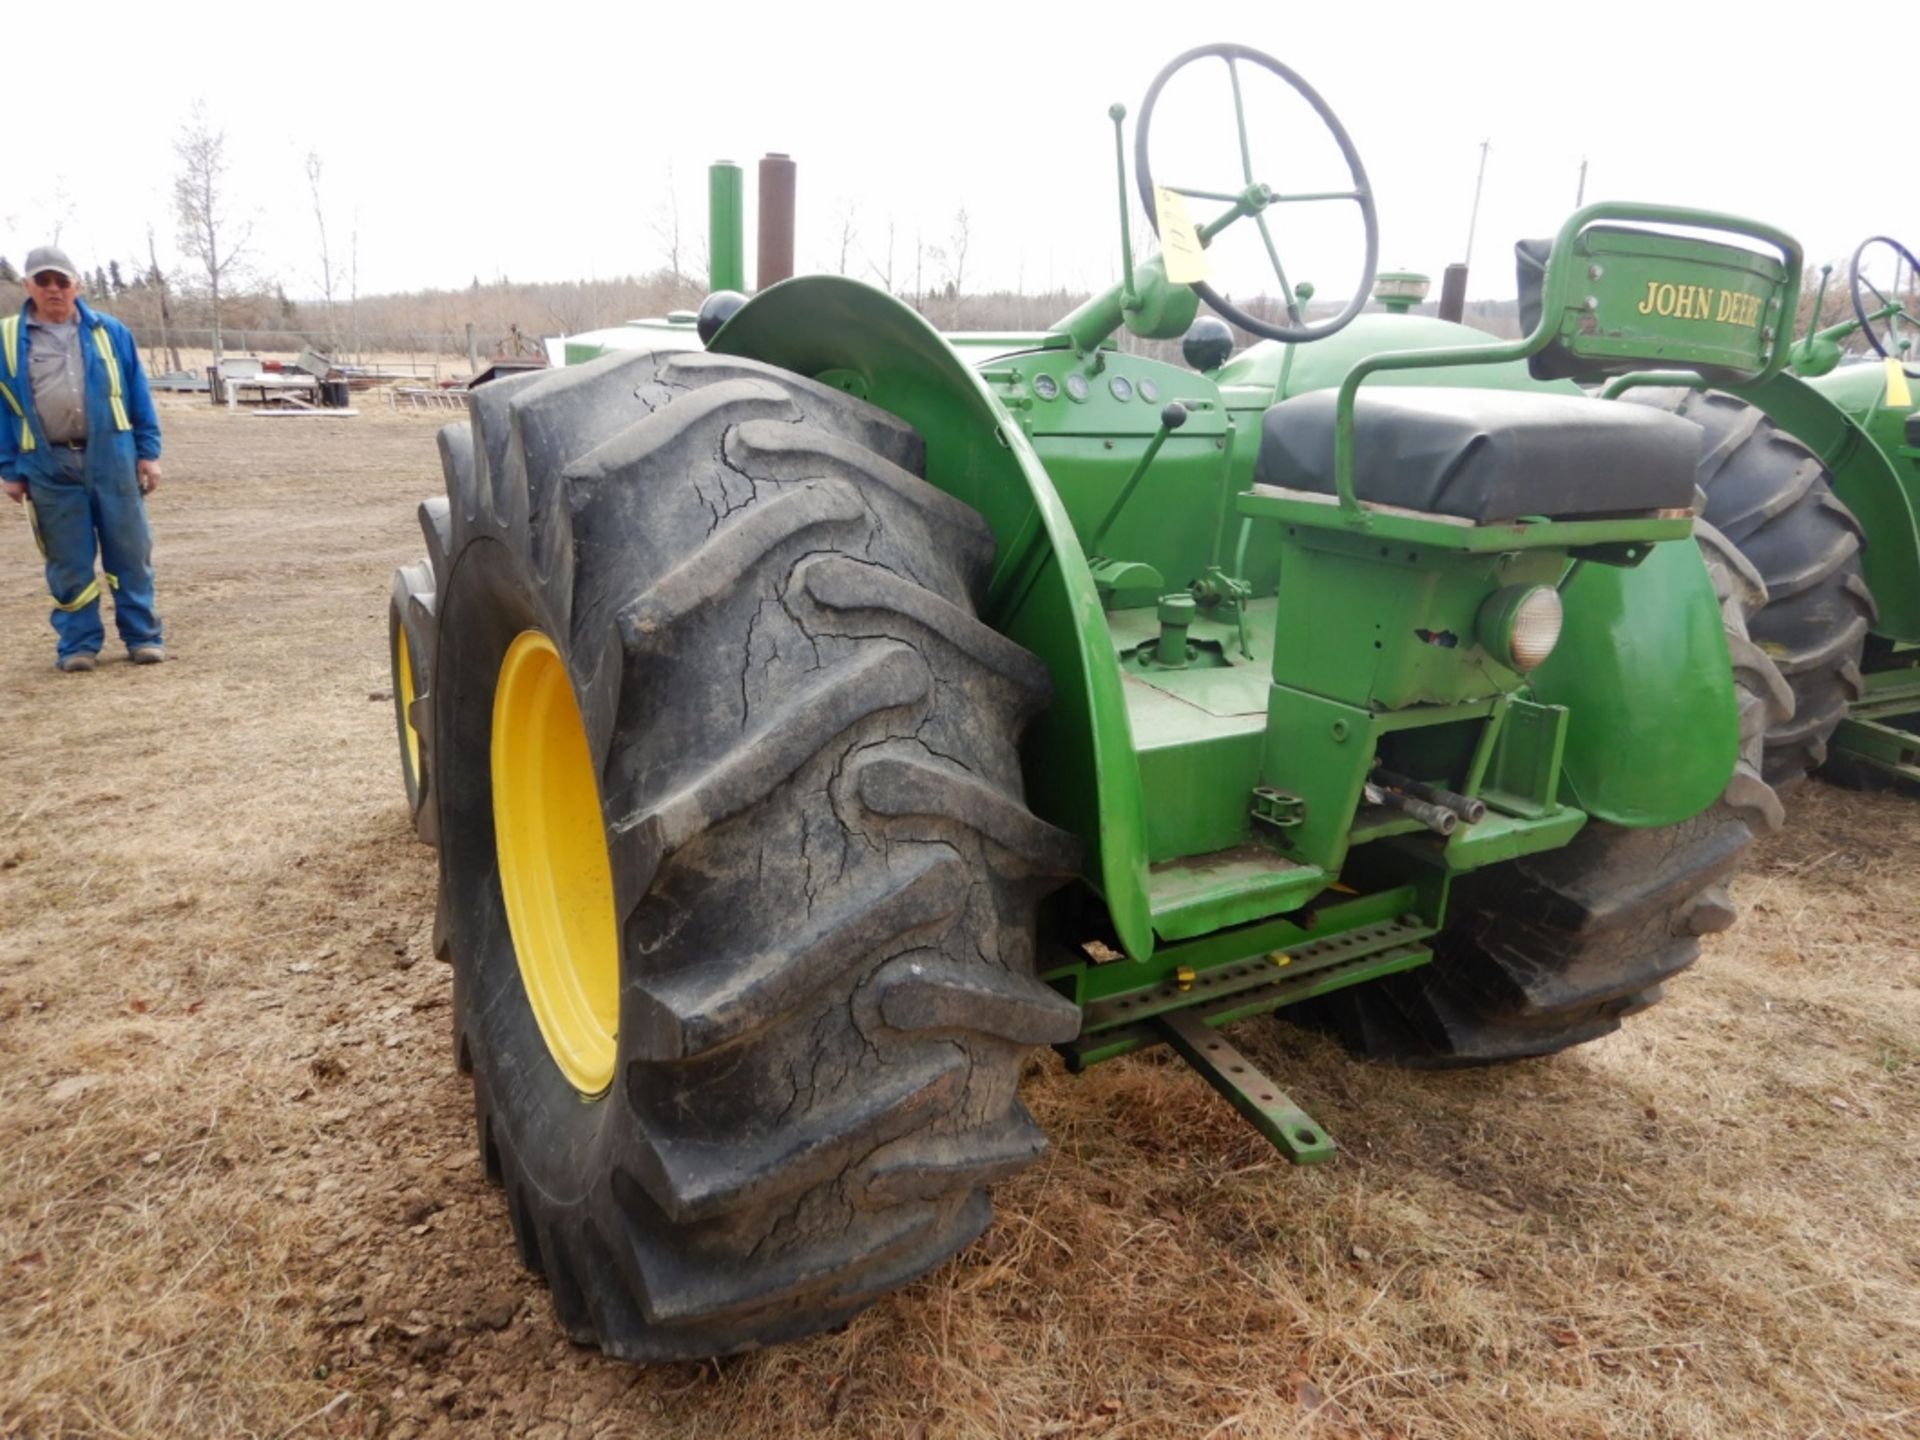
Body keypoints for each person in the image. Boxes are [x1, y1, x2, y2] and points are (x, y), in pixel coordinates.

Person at [0, 245, 165, 671]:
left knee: (130, 553)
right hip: (47, 464)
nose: (53, 289)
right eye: (43, 281)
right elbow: (3, 409)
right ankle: (78, 646)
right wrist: (9, 468)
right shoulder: (7, 339)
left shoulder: (110, 332)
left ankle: (143, 637)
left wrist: (149, 453)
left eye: (61, 281)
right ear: (27, 285)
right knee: (68, 560)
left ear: (77, 285)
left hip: (112, 458)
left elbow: (137, 394)